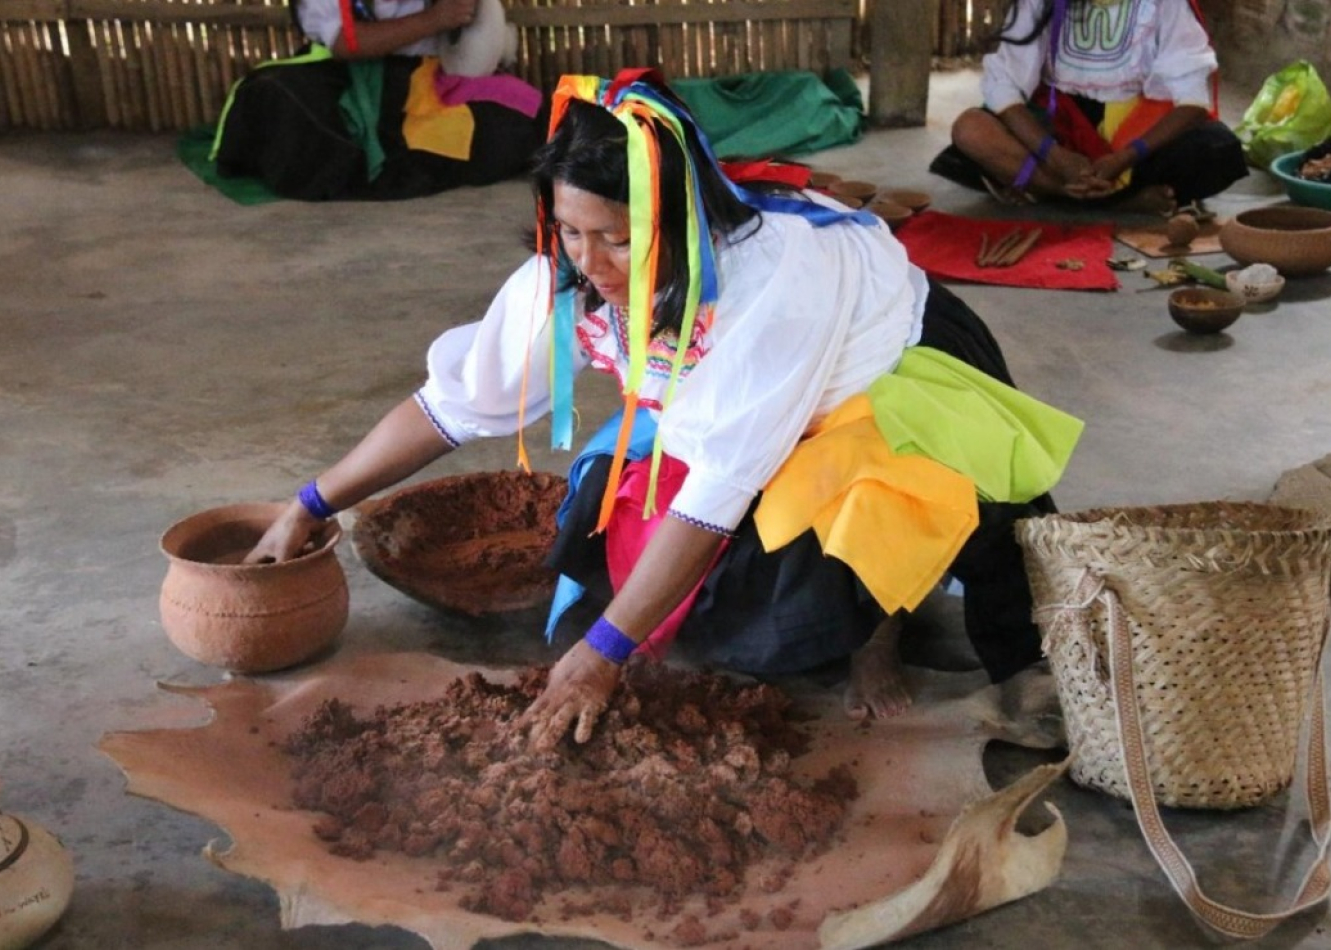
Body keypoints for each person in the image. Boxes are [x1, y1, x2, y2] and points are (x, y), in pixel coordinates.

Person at [248, 69, 1083, 750]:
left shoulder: (767, 283)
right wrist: (309, 504)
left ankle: (906, 635)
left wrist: (601, 655)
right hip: (749, 403)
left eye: (618, 238)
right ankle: (860, 609)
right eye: (570, 231)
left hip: (886, 374)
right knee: (661, 574)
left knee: (834, 567)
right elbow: (451, 406)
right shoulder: (570, 275)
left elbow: (720, 484)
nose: (591, 262)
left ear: (679, 219)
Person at [210, 0, 546, 200]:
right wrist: (434, 19)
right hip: (339, 77)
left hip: (423, 81)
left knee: (522, 115)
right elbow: (346, 44)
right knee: (275, 97)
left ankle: (382, 159)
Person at [936, 0, 1247, 213]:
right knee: (971, 130)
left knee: (1218, 150)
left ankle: (1048, 190)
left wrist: (1124, 158)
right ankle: (1102, 197)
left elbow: (1193, 101)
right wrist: (1055, 156)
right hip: (1061, 125)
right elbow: (1004, 87)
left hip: (1135, 131)